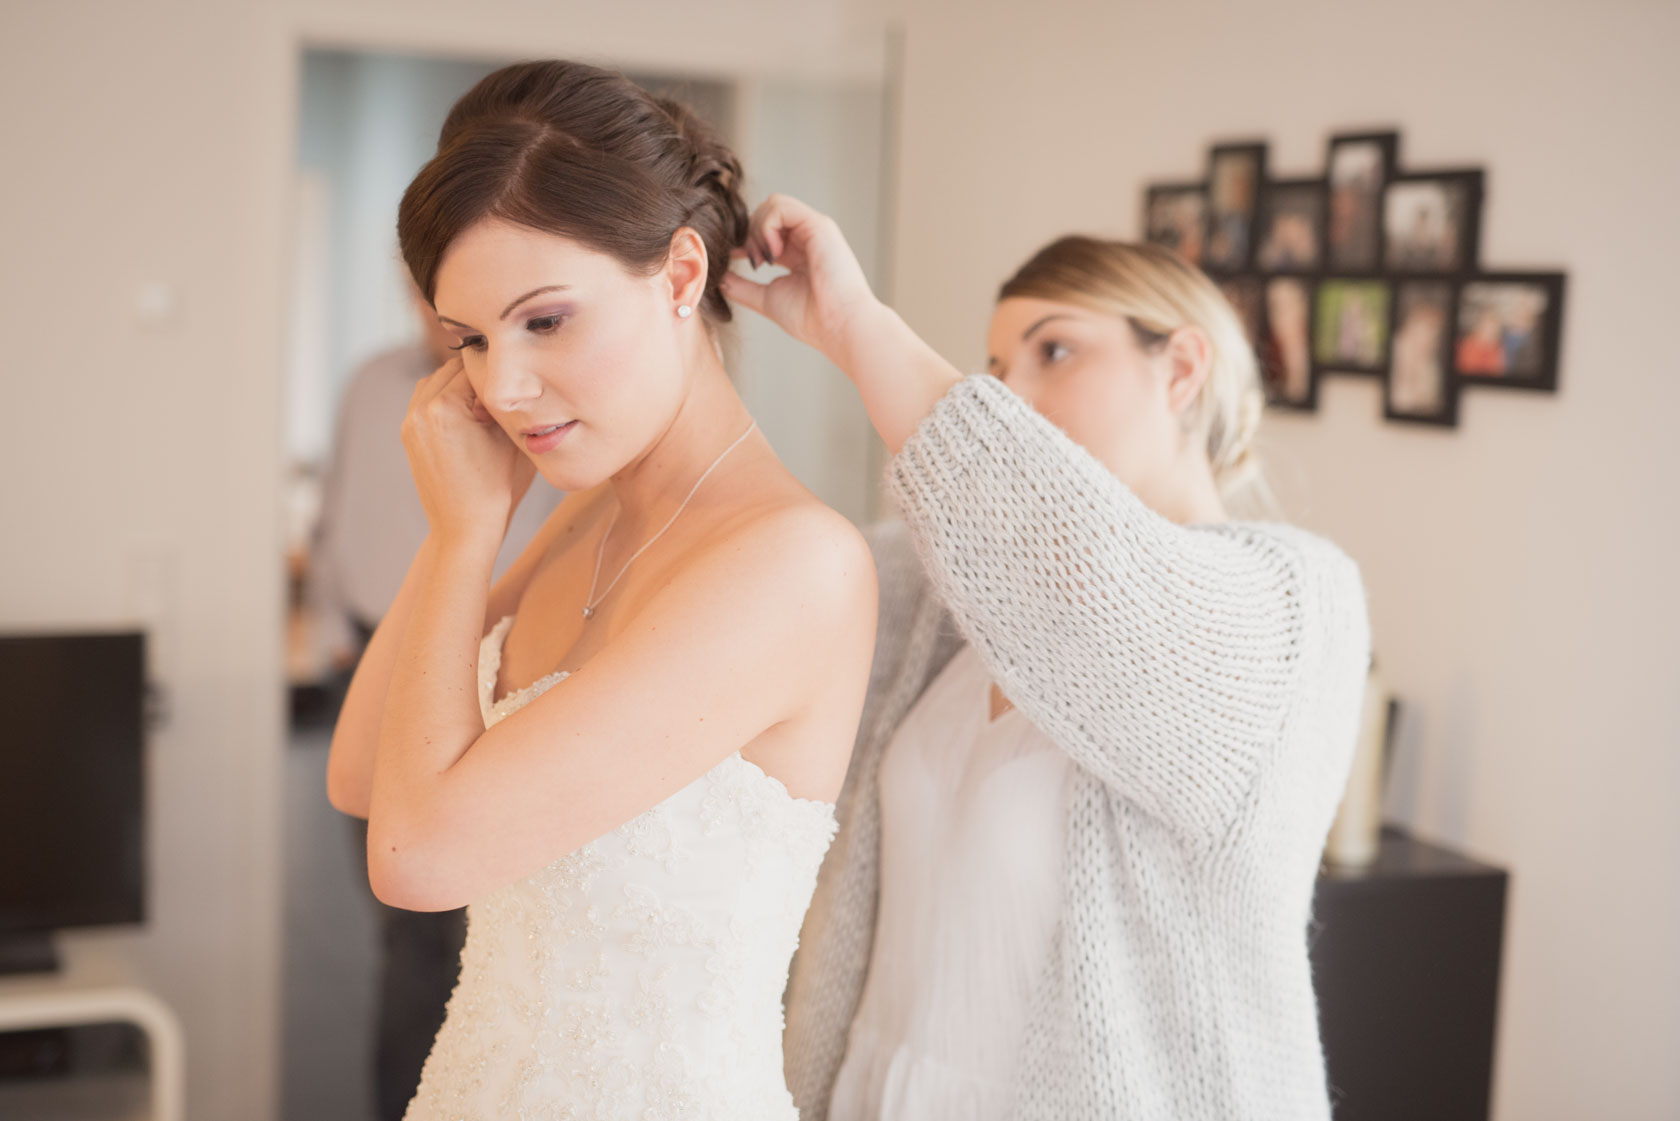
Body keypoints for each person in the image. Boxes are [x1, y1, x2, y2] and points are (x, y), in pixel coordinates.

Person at [721, 197, 1373, 1120]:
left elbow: (1083, 570)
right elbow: (758, 579)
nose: (1009, 395)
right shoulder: (940, 589)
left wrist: (857, 326)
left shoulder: (1297, 606)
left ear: (1182, 367)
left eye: (1055, 350)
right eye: (995, 369)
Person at [324, 60, 877, 1121]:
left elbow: (416, 856)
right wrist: (460, 532)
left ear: (680, 276)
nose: (502, 387)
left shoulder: (796, 562)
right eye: (471, 340)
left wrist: (465, 538)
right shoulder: (591, 514)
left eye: (544, 321)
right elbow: (359, 770)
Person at [307, 286, 563, 1120]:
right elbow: (334, 508)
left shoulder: (535, 403)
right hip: (370, 645)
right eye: (426, 291)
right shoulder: (374, 382)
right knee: (403, 922)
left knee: (469, 927)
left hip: (492, 653)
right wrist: (331, 624)